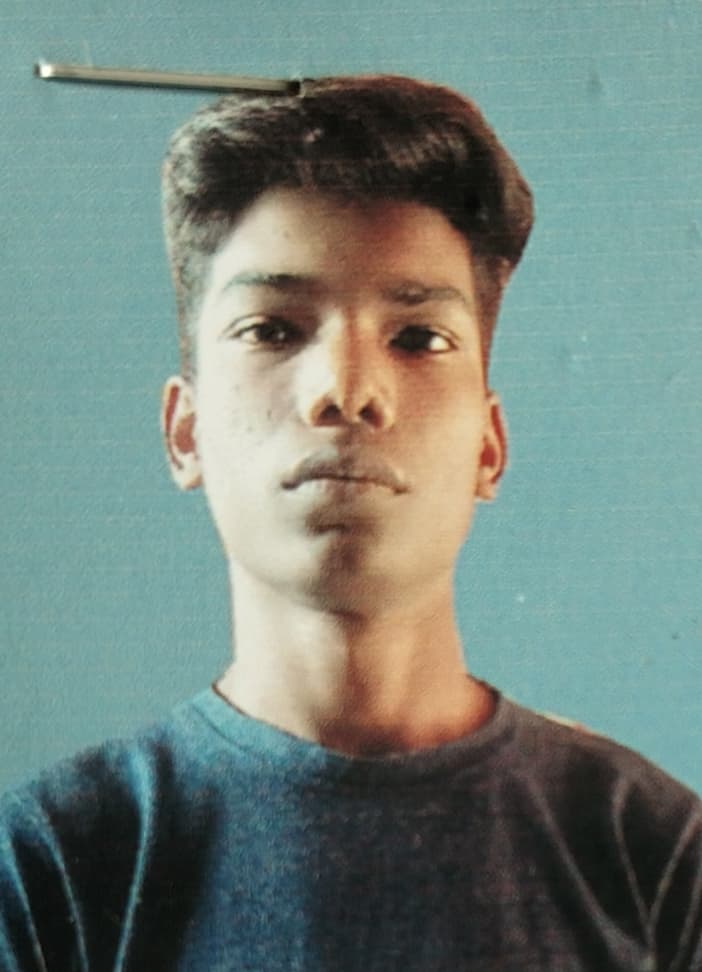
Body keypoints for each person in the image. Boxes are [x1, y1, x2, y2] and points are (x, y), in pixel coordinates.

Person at [1, 74, 700, 971]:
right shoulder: (52, 867)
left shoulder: (652, 854)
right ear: (185, 431)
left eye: (418, 338)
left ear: (489, 447)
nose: (346, 388)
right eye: (272, 330)